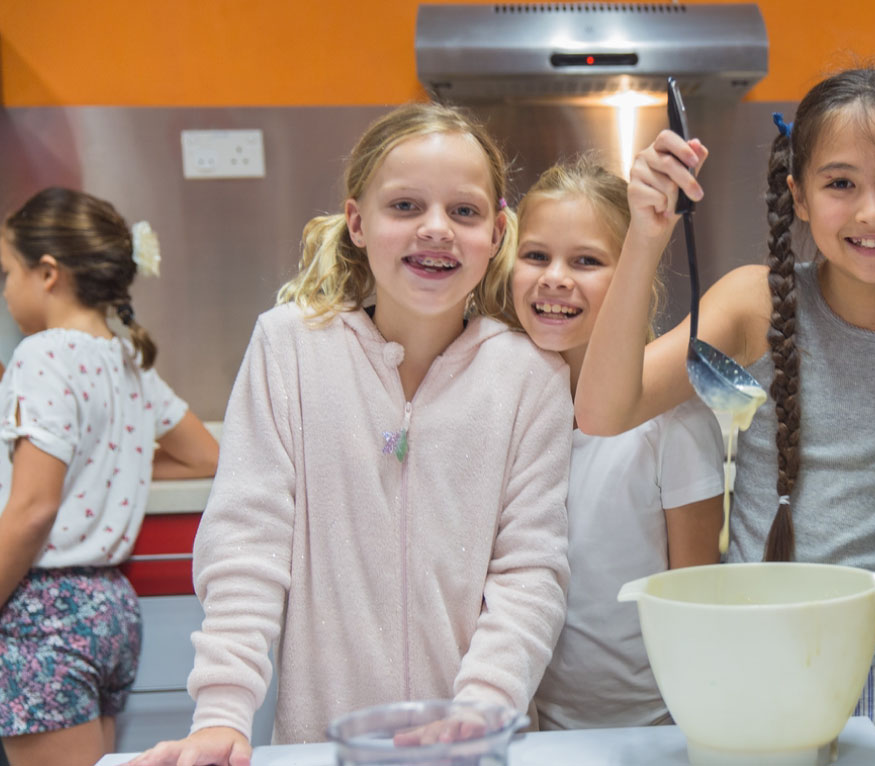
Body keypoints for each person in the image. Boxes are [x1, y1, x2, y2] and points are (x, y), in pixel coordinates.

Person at [574, 67, 875, 764]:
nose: (872, 211)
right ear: (799, 198)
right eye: (840, 183)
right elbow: (602, 411)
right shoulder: (755, 305)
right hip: (760, 664)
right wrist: (645, 237)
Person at [127, 103, 573, 766]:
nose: (436, 229)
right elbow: (248, 546)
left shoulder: (531, 376)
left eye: (464, 212)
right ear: (358, 223)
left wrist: (480, 711)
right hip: (322, 746)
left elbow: (529, 572)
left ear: (497, 231)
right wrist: (222, 714)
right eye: (405, 206)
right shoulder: (289, 349)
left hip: (474, 747)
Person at [0, 188, 219, 766]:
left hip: (43, 613)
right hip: (110, 610)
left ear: (48, 273)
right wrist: (105, 462)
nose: (4, 292)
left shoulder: (40, 354)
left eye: (6, 274)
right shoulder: (122, 358)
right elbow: (206, 455)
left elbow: (32, 509)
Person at [509, 156, 724, 730]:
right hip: (535, 727)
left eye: (586, 260)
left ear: (632, 274)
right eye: (535, 256)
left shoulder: (672, 419)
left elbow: (695, 596)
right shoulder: (501, 410)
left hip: (658, 728)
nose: (555, 277)